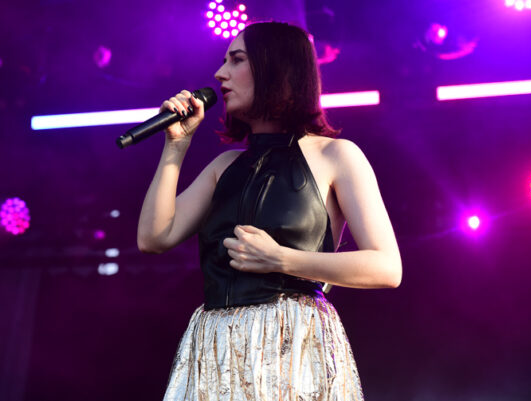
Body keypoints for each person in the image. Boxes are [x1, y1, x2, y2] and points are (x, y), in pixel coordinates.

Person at [137, 21, 401, 401]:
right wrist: (176, 146)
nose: (220, 73)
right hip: (215, 346)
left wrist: (280, 258)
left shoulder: (336, 155)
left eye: (236, 60)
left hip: (293, 342)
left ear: (275, 67)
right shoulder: (224, 166)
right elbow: (154, 237)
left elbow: (386, 267)